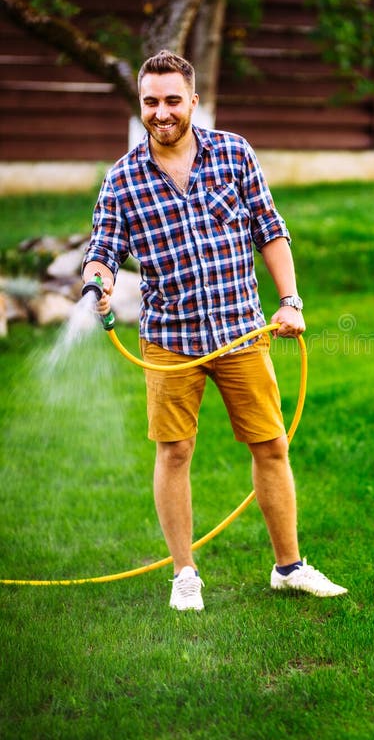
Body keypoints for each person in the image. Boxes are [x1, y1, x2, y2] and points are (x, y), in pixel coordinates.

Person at [82, 49, 346, 611]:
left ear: (193, 101)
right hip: (170, 341)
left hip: (239, 331)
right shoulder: (123, 178)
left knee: (271, 444)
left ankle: (289, 567)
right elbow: (102, 248)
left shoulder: (233, 153)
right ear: (141, 103)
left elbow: (270, 229)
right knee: (174, 452)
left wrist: (291, 301)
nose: (161, 112)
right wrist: (97, 281)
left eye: (172, 100)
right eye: (150, 101)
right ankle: (185, 575)